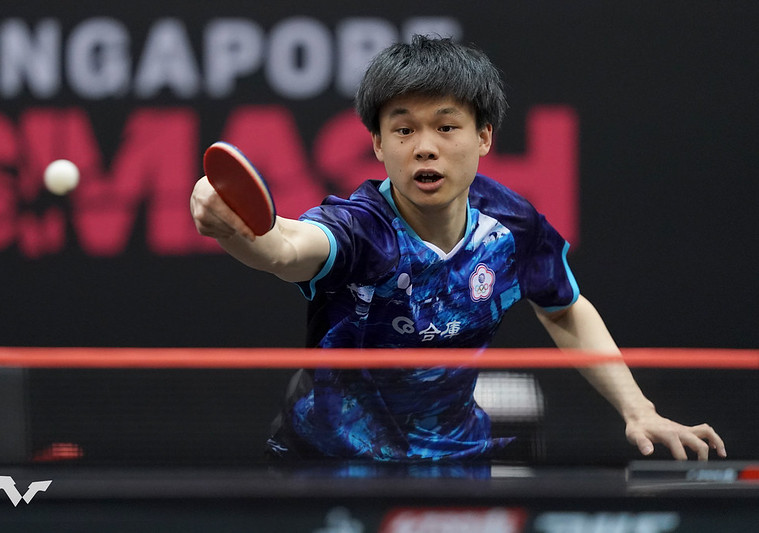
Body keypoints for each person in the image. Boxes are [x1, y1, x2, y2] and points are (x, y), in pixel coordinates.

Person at [190, 35, 726, 463]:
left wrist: (638, 409)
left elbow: (564, 308)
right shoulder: (360, 228)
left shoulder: (510, 225)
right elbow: (286, 249)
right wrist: (236, 230)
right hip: (330, 464)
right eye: (404, 130)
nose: (425, 146)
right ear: (377, 144)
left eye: (447, 126)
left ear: (484, 137)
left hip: (455, 461)